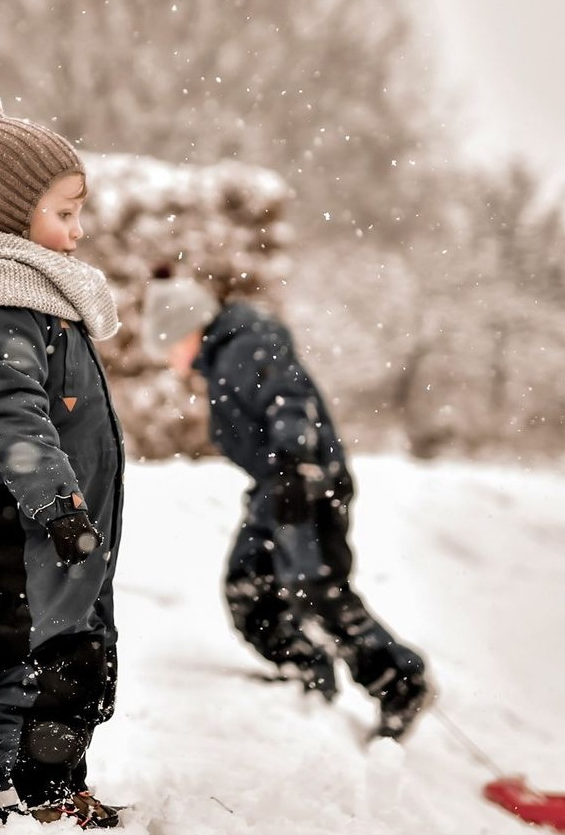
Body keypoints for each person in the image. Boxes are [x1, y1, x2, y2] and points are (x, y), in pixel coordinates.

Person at [0, 92, 124, 826]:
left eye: (77, 212)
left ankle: (59, 786)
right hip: (15, 525)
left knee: (77, 657)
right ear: (11, 217)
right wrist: (56, 505)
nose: (77, 230)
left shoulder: (35, 300)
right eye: (63, 212)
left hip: (56, 527)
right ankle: (23, 796)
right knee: (32, 663)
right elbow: (12, 418)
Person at [141, 263, 432, 740]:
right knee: (248, 583)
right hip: (275, 488)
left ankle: (400, 684)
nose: (170, 358)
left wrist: (296, 465)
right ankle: (303, 668)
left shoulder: (245, 347)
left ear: (190, 329)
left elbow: (290, 402)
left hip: (305, 484)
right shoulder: (224, 358)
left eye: (169, 344)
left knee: (316, 588)